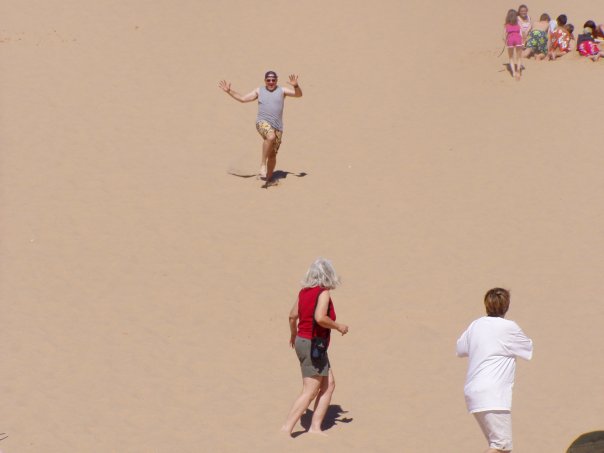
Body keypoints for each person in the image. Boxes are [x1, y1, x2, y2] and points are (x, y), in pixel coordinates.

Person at [457, 288, 533, 453]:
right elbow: (528, 348)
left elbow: (460, 349)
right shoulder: (509, 328)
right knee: (501, 447)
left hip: (474, 392)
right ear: (507, 306)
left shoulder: (475, 325)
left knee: (498, 445)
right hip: (493, 395)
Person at [281, 258, 349, 436]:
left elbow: (292, 316)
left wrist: (294, 334)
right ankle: (286, 429)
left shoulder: (304, 292)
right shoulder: (323, 293)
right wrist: (338, 326)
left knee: (329, 384)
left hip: (306, 342)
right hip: (313, 345)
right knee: (310, 390)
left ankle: (315, 427)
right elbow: (320, 317)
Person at [218, 71, 302, 187]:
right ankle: (262, 164)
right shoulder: (259, 90)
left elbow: (298, 95)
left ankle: (268, 179)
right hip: (262, 122)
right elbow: (243, 99)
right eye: (268, 80)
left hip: (278, 127)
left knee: (272, 155)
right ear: (265, 81)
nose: (271, 82)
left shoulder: (282, 90)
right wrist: (229, 91)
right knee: (270, 136)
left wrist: (296, 86)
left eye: (273, 80)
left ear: (276, 80)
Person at [504, 10, 524, 79]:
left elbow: (504, 36)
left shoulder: (506, 25)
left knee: (511, 57)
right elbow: (521, 33)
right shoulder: (518, 24)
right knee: (519, 57)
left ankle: (513, 73)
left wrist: (505, 42)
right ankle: (518, 70)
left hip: (510, 39)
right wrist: (522, 42)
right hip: (518, 38)